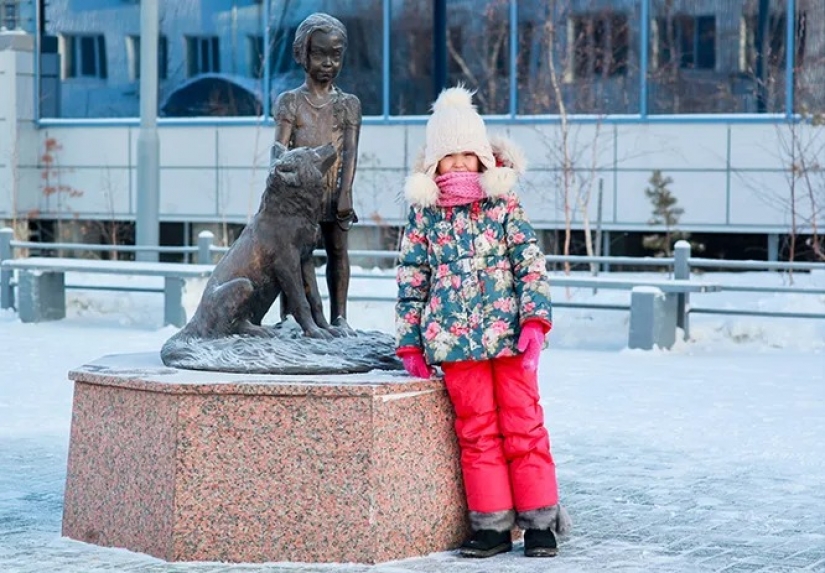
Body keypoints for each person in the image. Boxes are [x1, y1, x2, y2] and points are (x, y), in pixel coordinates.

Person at [394, 85, 570, 558]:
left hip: (510, 339)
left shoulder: (503, 204)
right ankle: (491, 525)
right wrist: (410, 342)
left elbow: (529, 264)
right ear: (434, 164)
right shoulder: (425, 215)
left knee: (524, 426)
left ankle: (540, 522)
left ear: (482, 156)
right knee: (477, 433)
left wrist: (534, 322)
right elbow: (412, 278)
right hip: (454, 343)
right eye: (447, 157)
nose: (457, 164)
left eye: (466, 154)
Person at [273, 12, 361, 330]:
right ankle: (293, 317)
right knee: (295, 255)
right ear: (302, 54)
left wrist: (345, 192)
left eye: (335, 55)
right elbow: (279, 148)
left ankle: (340, 317)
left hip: (334, 192)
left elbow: (350, 152)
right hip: (299, 197)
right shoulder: (290, 102)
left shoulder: (349, 104)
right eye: (320, 54)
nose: (328, 63)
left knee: (337, 252)